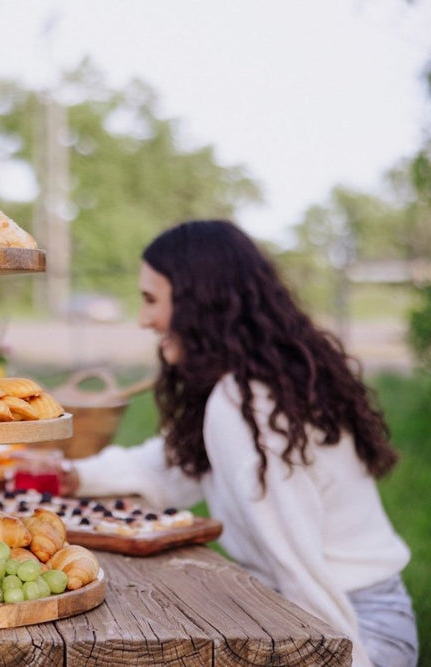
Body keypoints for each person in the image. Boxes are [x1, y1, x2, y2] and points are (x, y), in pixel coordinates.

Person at [72, 220, 417, 667]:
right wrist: (71, 475)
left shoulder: (246, 402)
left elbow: (296, 559)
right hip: (324, 609)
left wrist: (344, 658)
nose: (144, 319)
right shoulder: (256, 383)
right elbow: (171, 466)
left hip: (354, 625)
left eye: (152, 300)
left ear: (199, 302)